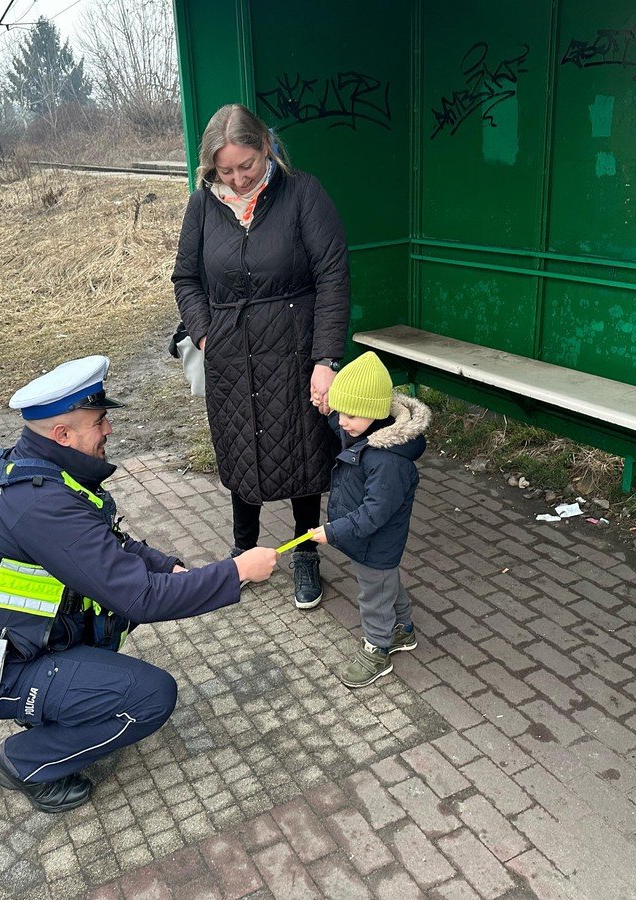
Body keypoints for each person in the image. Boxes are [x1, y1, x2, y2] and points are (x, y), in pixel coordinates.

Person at [0, 355, 279, 813]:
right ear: (63, 435)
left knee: (110, 619)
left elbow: (106, 542)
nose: (108, 429)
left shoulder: (34, 469)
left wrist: (167, 567)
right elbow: (142, 598)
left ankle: (59, 705)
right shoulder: (41, 506)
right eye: (99, 422)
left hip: (20, 641)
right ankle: (23, 761)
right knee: (150, 696)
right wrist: (236, 572)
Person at [172, 103, 350, 611]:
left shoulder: (302, 193)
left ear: (265, 148)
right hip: (229, 355)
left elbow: (333, 278)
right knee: (240, 446)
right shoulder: (202, 204)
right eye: (225, 171)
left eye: (245, 165)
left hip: (294, 351)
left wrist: (324, 359)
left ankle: (305, 552)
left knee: (302, 451)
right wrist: (205, 336)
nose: (238, 178)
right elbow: (186, 278)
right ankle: (243, 550)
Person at [310, 352, 431, 688]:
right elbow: (343, 423)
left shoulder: (389, 462)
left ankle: (377, 649)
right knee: (384, 584)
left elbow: (374, 513)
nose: (343, 422)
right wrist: (330, 410)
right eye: (341, 411)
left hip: (375, 541)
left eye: (350, 415)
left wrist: (333, 532)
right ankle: (403, 629)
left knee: (374, 596)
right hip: (367, 541)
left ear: (375, 413)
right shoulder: (364, 431)